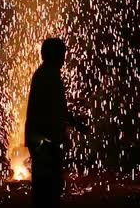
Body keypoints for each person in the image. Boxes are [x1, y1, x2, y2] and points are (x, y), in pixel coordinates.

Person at [25, 38, 87, 208]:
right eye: (62, 54)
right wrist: (76, 125)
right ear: (55, 55)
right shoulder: (50, 76)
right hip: (44, 140)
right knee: (49, 186)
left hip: (39, 138)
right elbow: (58, 109)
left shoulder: (43, 73)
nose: (64, 58)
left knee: (44, 185)